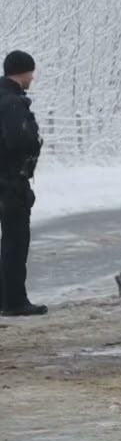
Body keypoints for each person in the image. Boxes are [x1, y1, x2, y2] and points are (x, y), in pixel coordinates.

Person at [0, 50, 45, 316]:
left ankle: (4, 298)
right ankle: (14, 301)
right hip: (10, 180)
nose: (32, 78)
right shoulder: (13, 103)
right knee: (15, 241)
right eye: (31, 72)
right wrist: (35, 142)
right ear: (25, 71)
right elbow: (20, 139)